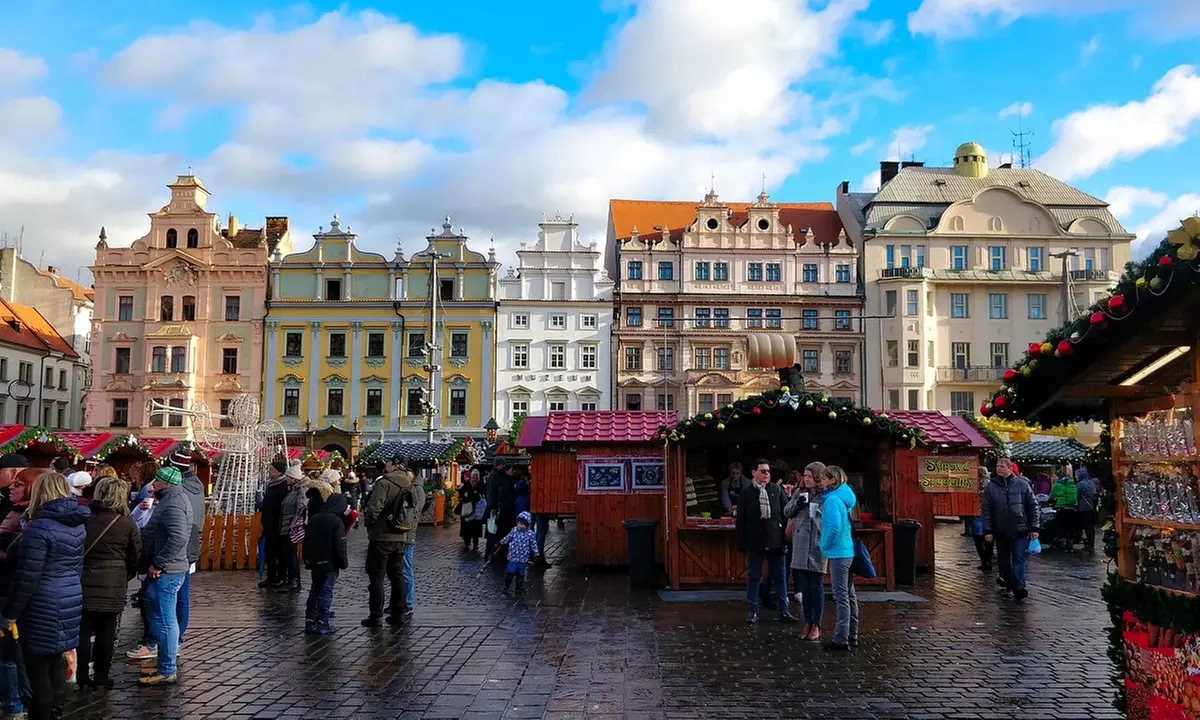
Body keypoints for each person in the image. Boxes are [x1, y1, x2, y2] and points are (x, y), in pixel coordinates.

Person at [1, 471, 90, 719]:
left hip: (42, 603)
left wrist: (9, 614)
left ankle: (42, 713)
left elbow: (27, 578)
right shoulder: (76, 524)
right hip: (69, 596)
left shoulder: (38, 528)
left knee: (37, 669)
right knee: (54, 661)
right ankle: (55, 710)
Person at [78, 476, 141, 690]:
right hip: (114, 582)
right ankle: (102, 677)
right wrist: (125, 574)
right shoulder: (126, 523)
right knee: (107, 631)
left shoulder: (85, 518)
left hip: (85, 579)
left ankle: (81, 676)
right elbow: (135, 555)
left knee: (83, 631)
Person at [137, 465, 193, 685]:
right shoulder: (172, 499)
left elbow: (178, 537)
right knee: (162, 616)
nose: (153, 485)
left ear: (166, 484)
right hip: (169, 567)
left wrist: (159, 563)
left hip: (168, 571)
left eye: (157, 481)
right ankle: (164, 663)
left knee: (165, 620)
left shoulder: (173, 504)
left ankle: (167, 668)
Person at [361, 458, 423, 628]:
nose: (386, 466)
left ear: (395, 465)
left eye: (388, 463)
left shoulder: (384, 483)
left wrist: (370, 525)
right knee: (397, 576)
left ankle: (376, 616)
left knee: (377, 577)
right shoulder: (409, 485)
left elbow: (374, 509)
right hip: (400, 536)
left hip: (381, 536)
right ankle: (399, 613)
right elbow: (414, 510)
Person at [734, 459, 793, 625]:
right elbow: (741, 520)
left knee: (780, 577)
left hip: (776, 540)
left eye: (768, 471)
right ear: (754, 473)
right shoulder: (747, 493)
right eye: (763, 471)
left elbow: (786, 514)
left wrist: (786, 539)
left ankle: (784, 610)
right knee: (754, 576)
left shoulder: (776, 490)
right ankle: (752, 611)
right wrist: (742, 543)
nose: (767, 474)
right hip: (755, 541)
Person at [981, 456, 1039, 602]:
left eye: (1002, 466)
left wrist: (1034, 527)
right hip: (1001, 531)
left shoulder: (1022, 485)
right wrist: (988, 530)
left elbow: (1032, 506)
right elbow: (986, 510)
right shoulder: (991, 487)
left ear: (1009, 468)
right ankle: (1008, 583)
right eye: (997, 466)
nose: (998, 469)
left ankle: (1019, 587)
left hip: (1020, 529)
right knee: (1004, 561)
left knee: (1018, 557)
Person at [0, 454, 29, 720]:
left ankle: (15, 703)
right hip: (17, 588)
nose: (13, 486)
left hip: (11, 589)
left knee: (9, 651)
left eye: (19, 482)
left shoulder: (21, 516)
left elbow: (18, 557)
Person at [784, 461, 826, 641]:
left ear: (818, 478)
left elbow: (827, 520)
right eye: (805, 475)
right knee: (805, 588)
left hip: (816, 544)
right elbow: (787, 511)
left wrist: (816, 514)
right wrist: (797, 504)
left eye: (810, 476)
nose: (806, 479)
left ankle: (817, 624)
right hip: (800, 544)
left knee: (816, 586)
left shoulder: (825, 495)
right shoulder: (799, 492)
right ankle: (808, 622)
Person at [819, 465, 858, 651]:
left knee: (841, 596)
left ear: (832, 480)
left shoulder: (833, 500)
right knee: (849, 595)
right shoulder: (845, 497)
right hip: (847, 550)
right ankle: (852, 634)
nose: (821, 482)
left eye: (824, 478)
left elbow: (834, 526)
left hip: (838, 552)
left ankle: (841, 638)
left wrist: (825, 544)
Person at [169, 450, 204, 648]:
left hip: (180, 543)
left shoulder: (179, 489)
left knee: (172, 594)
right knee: (182, 593)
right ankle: (178, 636)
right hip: (192, 541)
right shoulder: (197, 486)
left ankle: (171, 637)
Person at [303, 489, 349, 634]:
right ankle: (323, 622)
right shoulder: (336, 521)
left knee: (315, 589)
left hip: (315, 561)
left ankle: (310, 620)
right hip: (330, 562)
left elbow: (307, 541)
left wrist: (307, 558)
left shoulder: (315, 518)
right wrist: (343, 562)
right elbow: (340, 544)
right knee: (327, 591)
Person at [258, 460, 289, 588]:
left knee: (279, 552)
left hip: (277, 524)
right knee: (269, 551)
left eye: (271, 470)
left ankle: (281, 577)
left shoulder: (282, 486)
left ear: (278, 472)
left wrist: (264, 506)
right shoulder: (271, 484)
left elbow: (278, 505)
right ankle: (271, 577)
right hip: (268, 523)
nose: (269, 472)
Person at [278, 461, 306, 593]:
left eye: (288, 477)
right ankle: (291, 580)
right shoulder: (292, 490)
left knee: (291, 555)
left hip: (291, 528)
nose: (286, 479)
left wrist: (293, 525)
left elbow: (300, 509)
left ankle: (294, 581)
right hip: (287, 526)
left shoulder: (300, 490)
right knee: (288, 555)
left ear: (294, 478)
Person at [500, 511, 539, 594]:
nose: (520, 526)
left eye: (522, 524)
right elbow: (508, 538)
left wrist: (536, 553)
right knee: (510, 571)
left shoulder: (530, 534)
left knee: (521, 573)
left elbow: (534, 544)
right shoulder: (514, 530)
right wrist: (501, 543)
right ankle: (506, 586)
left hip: (523, 557)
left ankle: (519, 587)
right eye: (518, 523)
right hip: (513, 556)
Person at [485, 462, 516, 559]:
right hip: (503, 511)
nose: (513, 472)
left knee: (495, 532)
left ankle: (494, 552)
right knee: (499, 532)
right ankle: (497, 553)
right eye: (511, 470)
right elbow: (505, 497)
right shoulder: (505, 481)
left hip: (500, 511)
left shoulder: (500, 479)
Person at [1049, 468, 1079, 551]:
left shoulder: (1057, 484)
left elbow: (1052, 496)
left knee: (1061, 526)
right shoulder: (1073, 483)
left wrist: (1050, 502)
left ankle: (1063, 543)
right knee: (1071, 526)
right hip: (1072, 508)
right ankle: (1070, 545)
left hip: (1061, 507)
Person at [972, 466, 994, 571]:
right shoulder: (991, 485)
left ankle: (983, 560)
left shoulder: (973, 485)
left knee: (978, 538)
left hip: (977, 513)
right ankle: (988, 560)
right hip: (989, 514)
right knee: (988, 538)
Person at [457, 469, 486, 552]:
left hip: (477, 510)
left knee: (475, 528)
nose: (475, 477)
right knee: (468, 528)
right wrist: (464, 495)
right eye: (474, 476)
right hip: (468, 508)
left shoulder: (481, 484)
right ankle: (467, 543)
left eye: (476, 476)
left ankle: (475, 544)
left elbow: (483, 494)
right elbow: (461, 493)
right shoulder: (467, 484)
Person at [1075, 468, 1098, 553]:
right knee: (1090, 526)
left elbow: (1076, 495)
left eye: (1077, 475)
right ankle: (1091, 544)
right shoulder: (1091, 483)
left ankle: (1085, 542)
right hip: (1091, 507)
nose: (1076, 476)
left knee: (1083, 526)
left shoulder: (1080, 484)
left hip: (1083, 508)